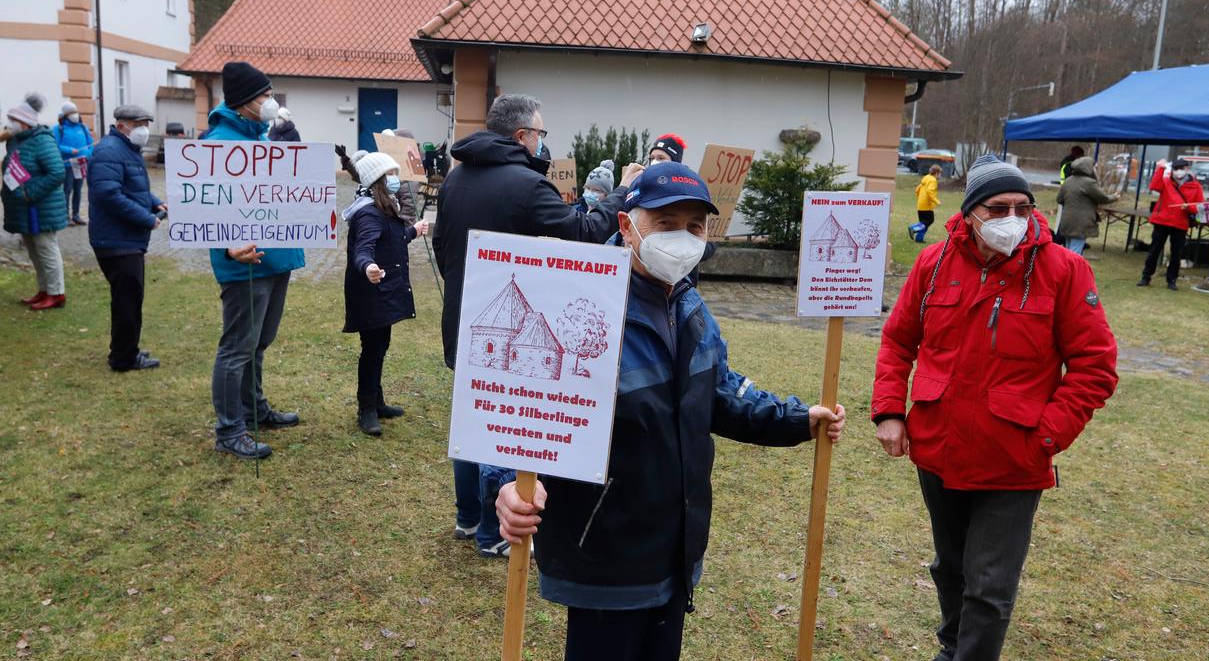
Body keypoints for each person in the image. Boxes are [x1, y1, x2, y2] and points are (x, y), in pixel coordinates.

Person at [496, 162, 846, 661]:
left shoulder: (690, 308)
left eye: (694, 227)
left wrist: (795, 418)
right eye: (665, 223)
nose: (682, 238)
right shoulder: (579, 305)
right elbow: (527, 412)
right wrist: (510, 485)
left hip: (673, 550)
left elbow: (719, 392)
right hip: (605, 553)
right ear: (627, 226)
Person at [871, 153, 1118, 661]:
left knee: (988, 584)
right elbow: (898, 342)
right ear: (968, 214)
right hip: (938, 448)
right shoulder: (933, 262)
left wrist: (1044, 438)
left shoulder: (1064, 270)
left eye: (1022, 206)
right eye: (998, 208)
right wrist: (891, 411)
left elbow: (1095, 368)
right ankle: (952, 648)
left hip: (1014, 458)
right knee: (950, 568)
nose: (1013, 219)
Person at [433, 93, 642, 557]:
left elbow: (441, 245)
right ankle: (492, 532)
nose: (543, 143)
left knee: (472, 416)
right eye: (541, 133)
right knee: (503, 428)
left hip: (467, 318)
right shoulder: (527, 185)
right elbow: (585, 232)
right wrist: (623, 194)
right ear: (522, 136)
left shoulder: (455, 178)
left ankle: (468, 517)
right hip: (510, 327)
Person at [205, 61, 304, 460]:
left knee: (258, 343)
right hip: (245, 262)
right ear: (245, 101)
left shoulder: (260, 137)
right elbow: (203, 207)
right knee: (237, 348)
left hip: (275, 259)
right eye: (264, 95)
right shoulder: (218, 143)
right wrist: (228, 246)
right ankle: (230, 429)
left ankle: (253, 409)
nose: (270, 101)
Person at [342, 151, 429, 436]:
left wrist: (413, 231)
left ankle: (377, 402)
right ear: (378, 180)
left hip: (382, 293)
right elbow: (363, 249)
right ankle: (365, 409)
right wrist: (367, 267)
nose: (396, 179)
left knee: (380, 346)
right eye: (390, 175)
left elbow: (393, 238)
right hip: (372, 294)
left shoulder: (383, 206)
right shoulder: (368, 212)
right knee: (372, 350)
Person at [87, 104, 164, 372]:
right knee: (126, 302)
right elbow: (109, 195)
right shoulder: (109, 150)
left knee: (129, 299)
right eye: (140, 123)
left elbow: (132, 189)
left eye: (146, 123)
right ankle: (123, 358)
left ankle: (127, 350)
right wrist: (146, 218)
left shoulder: (126, 150)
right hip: (117, 241)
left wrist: (155, 204)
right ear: (122, 126)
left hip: (124, 240)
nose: (145, 129)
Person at [0, 100, 68, 310]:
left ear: (26, 122)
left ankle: (57, 293)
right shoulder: (14, 141)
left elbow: (57, 172)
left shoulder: (42, 141)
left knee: (47, 249)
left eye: (15, 120)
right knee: (33, 250)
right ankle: (44, 289)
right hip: (23, 208)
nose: (11, 123)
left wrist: (30, 192)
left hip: (40, 208)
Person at [1138, 158, 1204, 290]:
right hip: (1162, 221)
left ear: (1187, 169)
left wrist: (1189, 208)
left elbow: (1199, 206)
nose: (1178, 171)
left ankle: (1171, 279)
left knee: (1176, 254)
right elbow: (1154, 186)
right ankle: (1146, 277)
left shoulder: (1196, 186)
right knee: (1154, 251)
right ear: (1172, 170)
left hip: (1180, 224)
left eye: (1181, 168)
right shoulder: (1166, 181)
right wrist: (1160, 168)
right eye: (1175, 169)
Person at [1054, 156, 1118, 255]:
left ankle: (1064, 269)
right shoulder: (1089, 183)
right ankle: (1070, 270)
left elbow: (1059, 199)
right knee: (1075, 255)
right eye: (1094, 167)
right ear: (1088, 168)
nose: (1095, 169)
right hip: (1080, 224)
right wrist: (1115, 197)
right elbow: (1103, 198)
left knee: (1067, 252)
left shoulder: (1068, 181)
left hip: (1066, 222)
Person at [54, 101, 94, 226]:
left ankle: (76, 215)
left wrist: (87, 154)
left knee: (78, 190)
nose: (75, 115)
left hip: (81, 164)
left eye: (76, 112)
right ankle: (65, 216)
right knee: (67, 190)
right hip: (67, 164)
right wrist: (70, 150)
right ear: (65, 115)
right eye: (71, 113)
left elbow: (90, 143)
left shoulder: (83, 127)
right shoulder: (58, 129)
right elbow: (55, 145)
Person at [913, 163, 942, 243]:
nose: (940, 176)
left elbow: (917, 189)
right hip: (927, 205)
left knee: (923, 223)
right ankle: (913, 228)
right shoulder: (933, 180)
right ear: (936, 173)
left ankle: (919, 239)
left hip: (920, 204)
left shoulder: (925, 178)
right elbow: (930, 191)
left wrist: (919, 198)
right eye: (940, 174)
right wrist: (937, 201)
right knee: (930, 220)